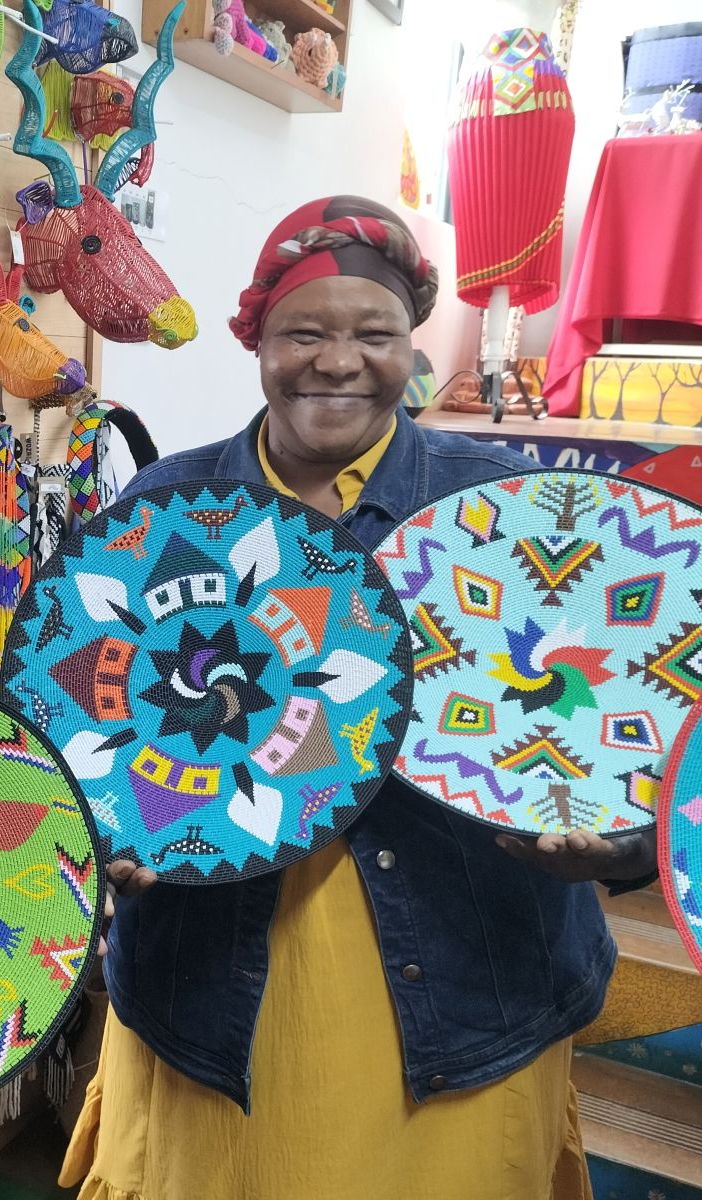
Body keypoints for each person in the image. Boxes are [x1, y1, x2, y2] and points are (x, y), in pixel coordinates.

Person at [62, 196, 658, 1200]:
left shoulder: (505, 507)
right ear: (257, 339)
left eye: (375, 334)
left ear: (413, 342)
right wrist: (109, 837)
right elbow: (89, 732)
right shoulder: (167, 507)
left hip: (469, 993)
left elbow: (643, 731)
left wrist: (623, 846)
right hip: (214, 992)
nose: (338, 362)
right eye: (304, 332)